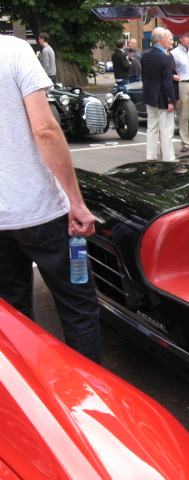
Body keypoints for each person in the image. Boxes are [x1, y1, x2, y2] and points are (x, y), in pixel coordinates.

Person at [0, 35, 101, 363]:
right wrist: (76, 201)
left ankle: (27, 388)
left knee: (11, 316)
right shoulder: (13, 51)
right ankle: (86, 387)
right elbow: (45, 129)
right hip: (41, 211)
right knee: (78, 308)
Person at [141, 27, 176, 162]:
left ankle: (150, 156)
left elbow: (144, 77)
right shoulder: (165, 58)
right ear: (161, 39)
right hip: (162, 98)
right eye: (167, 38)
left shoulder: (145, 55)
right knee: (166, 130)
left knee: (152, 128)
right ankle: (168, 157)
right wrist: (170, 100)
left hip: (149, 95)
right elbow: (167, 82)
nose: (169, 40)